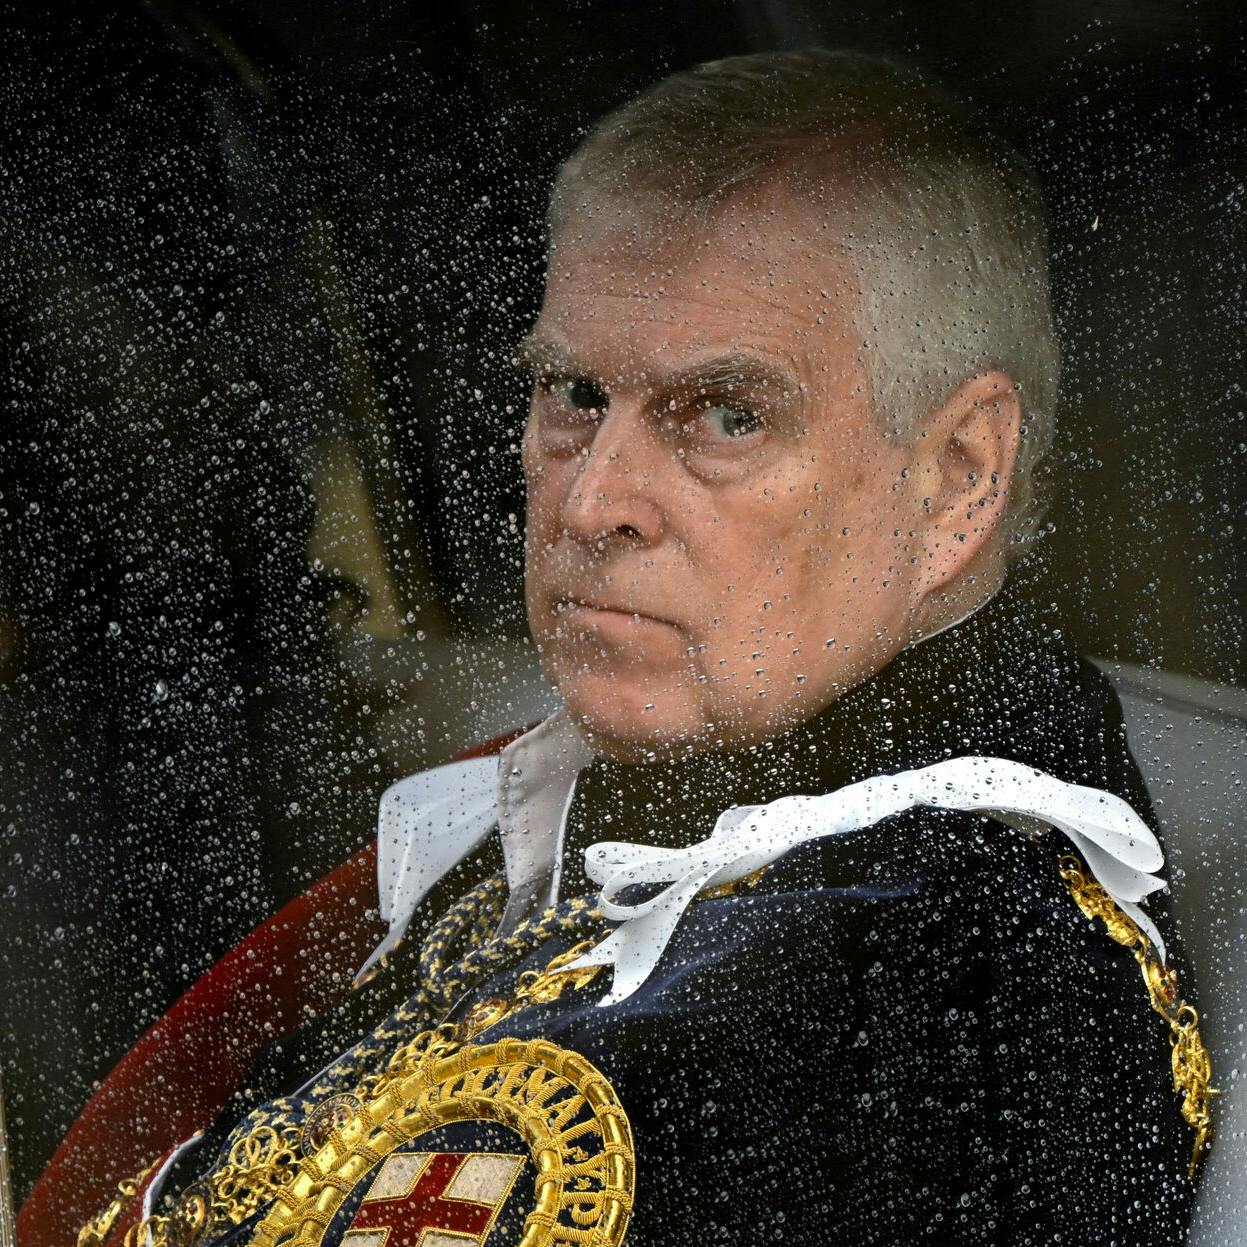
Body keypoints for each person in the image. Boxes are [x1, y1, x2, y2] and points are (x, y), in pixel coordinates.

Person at [36, 48, 1211, 1247]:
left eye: (727, 415)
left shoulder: (954, 990)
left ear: (958, 474)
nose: (592, 502)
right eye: (573, 395)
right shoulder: (624, 808)